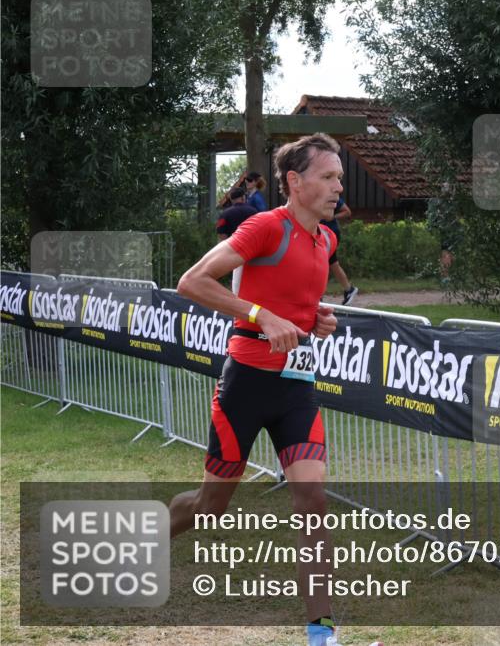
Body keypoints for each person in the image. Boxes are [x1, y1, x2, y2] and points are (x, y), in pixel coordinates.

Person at [167, 134, 368, 646]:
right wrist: (260, 315)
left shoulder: (326, 240)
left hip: (297, 387)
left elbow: (298, 303)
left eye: (339, 177)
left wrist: (316, 319)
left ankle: (320, 632)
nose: (337, 188)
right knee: (211, 507)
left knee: (313, 500)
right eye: (328, 177)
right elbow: (192, 282)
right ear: (294, 182)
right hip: (247, 384)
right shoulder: (263, 227)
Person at [320, 196, 359, 306]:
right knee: (332, 263)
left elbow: (347, 211)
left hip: (329, 233)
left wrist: (332, 217)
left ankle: (318, 295)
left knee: (322, 262)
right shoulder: (314, 193)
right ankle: (348, 289)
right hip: (321, 232)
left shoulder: (331, 194)